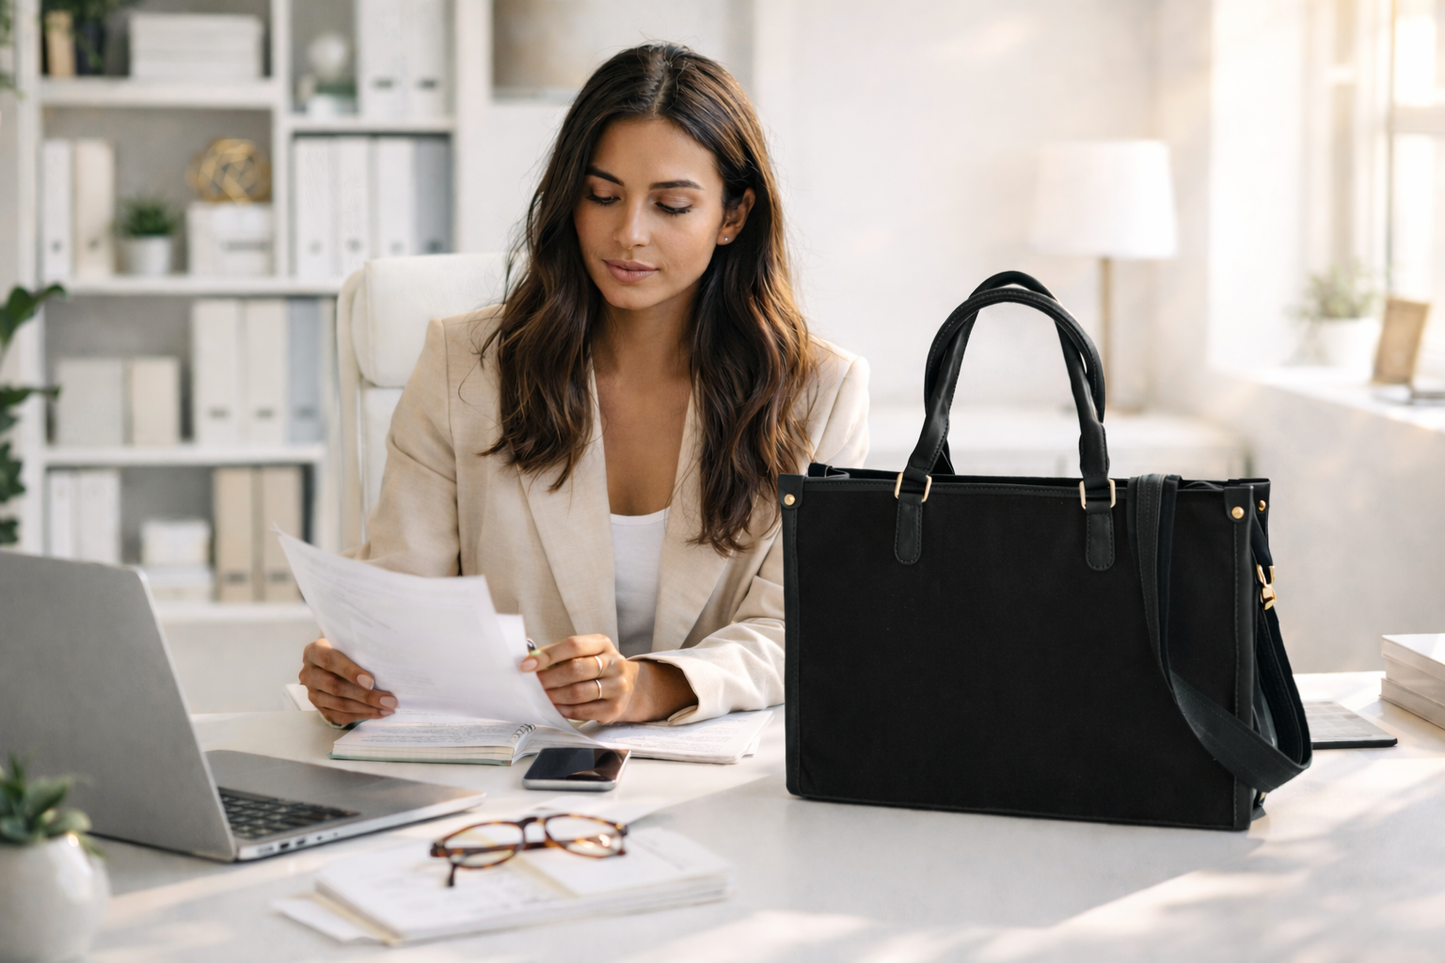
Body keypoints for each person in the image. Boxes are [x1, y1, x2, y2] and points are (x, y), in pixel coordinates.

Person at [298, 43, 869, 728]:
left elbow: (797, 626)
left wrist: (646, 686)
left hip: (716, 781)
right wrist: (355, 667)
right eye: (602, 196)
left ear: (732, 215)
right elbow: (400, 601)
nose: (628, 233)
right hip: (506, 780)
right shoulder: (462, 366)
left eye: (671, 205)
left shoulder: (819, 392)